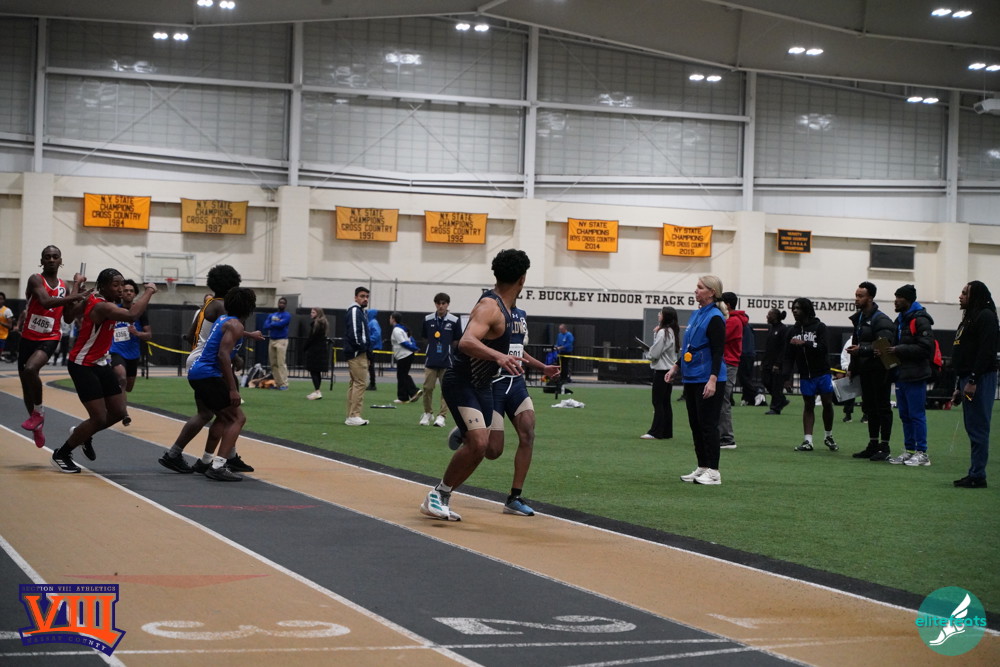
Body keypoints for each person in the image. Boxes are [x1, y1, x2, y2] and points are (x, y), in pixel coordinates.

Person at [420, 249, 529, 521]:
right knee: (478, 443)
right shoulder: (490, 306)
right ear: (522, 279)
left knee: (491, 449)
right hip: (461, 382)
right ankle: (438, 495)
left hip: (483, 385)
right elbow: (467, 341)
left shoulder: (508, 309)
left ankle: (464, 431)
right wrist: (498, 356)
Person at [50, 270, 156, 473]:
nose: (120, 289)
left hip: (100, 362)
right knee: (98, 418)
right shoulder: (101, 305)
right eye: (116, 285)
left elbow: (69, 316)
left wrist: (77, 287)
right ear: (103, 286)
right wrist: (149, 291)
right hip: (82, 364)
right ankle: (61, 454)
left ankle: (83, 434)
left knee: (118, 412)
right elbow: (132, 315)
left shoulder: (97, 299)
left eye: (122, 285)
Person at [159, 265, 259, 475]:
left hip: (197, 358)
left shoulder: (206, 305)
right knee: (231, 414)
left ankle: (186, 455)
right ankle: (220, 461)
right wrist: (234, 357)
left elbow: (190, 336)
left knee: (207, 413)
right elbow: (227, 338)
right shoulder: (225, 308)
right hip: (210, 363)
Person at [480, 303, 560, 516]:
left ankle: (514, 497)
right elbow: (474, 344)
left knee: (528, 433)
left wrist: (543, 367)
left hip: (516, 384)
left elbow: (517, 349)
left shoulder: (521, 314)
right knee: (493, 451)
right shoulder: (490, 309)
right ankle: (470, 430)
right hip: (494, 385)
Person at [183, 287, 258, 481]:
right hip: (208, 375)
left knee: (223, 417)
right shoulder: (235, 325)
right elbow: (223, 355)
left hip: (197, 373)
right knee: (237, 418)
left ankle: (206, 461)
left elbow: (232, 331)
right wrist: (232, 389)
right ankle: (218, 465)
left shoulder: (224, 319)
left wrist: (250, 335)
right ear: (249, 307)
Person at [19, 246, 87, 449]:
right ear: (42, 261)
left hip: (50, 337)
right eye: (47, 257)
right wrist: (75, 294)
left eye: (55, 257)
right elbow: (46, 302)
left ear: (60, 261)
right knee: (26, 387)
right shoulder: (35, 279)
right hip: (28, 337)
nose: (51, 259)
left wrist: (81, 297)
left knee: (31, 369)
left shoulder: (64, 286)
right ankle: (37, 424)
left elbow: (68, 317)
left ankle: (39, 413)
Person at [664, 275, 727, 486]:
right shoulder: (696, 314)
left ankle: (714, 472)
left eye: (700, 288)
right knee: (696, 425)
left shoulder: (715, 317)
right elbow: (689, 347)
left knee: (709, 425)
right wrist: (676, 366)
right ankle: (703, 466)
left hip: (708, 377)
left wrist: (713, 379)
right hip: (692, 377)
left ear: (712, 292)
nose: (696, 291)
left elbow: (718, 351)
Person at [951, 281, 998, 489]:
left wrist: (973, 380)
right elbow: (964, 353)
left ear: (975, 296)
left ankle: (978, 475)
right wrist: (959, 386)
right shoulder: (969, 318)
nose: (960, 296)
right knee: (973, 427)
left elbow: (986, 352)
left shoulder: (986, 316)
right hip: (968, 378)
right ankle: (975, 472)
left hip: (980, 379)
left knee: (978, 427)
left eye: (965, 293)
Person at [884, 284, 936, 466]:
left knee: (916, 414)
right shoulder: (900, 320)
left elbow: (926, 348)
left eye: (899, 297)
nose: (895, 301)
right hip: (901, 374)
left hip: (916, 374)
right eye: (895, 297)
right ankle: (909, 451)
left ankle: (922, 453)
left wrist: (898, 349)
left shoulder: (920, 320)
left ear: (908, 300)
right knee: (905, 415)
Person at [847, 281, 895, 461]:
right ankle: (873, 444)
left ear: (870, 298)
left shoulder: (881, 319)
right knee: (869, 408)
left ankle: (885, 446)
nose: (856, 299)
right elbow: (856, 342)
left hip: (881, 370)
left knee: (882, 408)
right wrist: (852, 367)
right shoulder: (860, 318)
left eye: (860, 296)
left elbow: (884, 345)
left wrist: (862, 350)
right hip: (866, 369)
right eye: (856, 295)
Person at [783, 298, 838, 453]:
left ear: (807, 310)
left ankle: (828, 436)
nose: (795, 311)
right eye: (793, 308)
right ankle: (808, 441)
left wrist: (805, 343)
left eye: (798, 308)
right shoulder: (792, 331)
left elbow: (824, 348)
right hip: (805, 375)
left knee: (827, 403)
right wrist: (786, 378)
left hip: (822, 373)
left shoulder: (820, 327)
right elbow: (788, 356)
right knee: (808, 405)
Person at [109, 279, 152, 427]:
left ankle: (115, 397)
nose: (128, 293)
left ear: (135, 294)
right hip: (116, 351)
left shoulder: (140, 312)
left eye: (131, 291)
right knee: (121, 378)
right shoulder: (114, 310)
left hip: (133, 354)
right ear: (121, 294)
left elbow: (149, 335)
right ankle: (123, 413)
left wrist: (137, 333)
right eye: (126, 290)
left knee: (128, 386)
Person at [420, 293, 462, 427]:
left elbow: (457, 340)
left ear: (448, 304)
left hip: (447, 361)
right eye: (438, 303)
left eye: (443, 303)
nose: (441, 306)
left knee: (446, 390)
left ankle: (442, 416)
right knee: (427, 388)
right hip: (431, 360)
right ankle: (427, 413)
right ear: (435, 304)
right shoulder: (428, 319)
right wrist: (432, 348)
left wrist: (448, 351)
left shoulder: (454, 320)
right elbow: (424, 337)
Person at [642, 306, 679, 440]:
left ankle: (655, 431)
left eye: (660, 313)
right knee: (665, 402)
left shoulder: (663, 332)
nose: (658, 315)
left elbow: (655, 353)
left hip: (662, 371)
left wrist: (647, 352)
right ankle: (666, 432)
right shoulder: (672, 331)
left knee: (657, 402)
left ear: (665, 317)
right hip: (669, 369)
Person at [718, 292, 745, 449]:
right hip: (727, 362)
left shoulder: (733, 321)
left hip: (728, 363)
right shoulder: (733, 320)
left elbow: (720, 337)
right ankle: (722, 435)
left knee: (723, 400)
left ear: (727, 305)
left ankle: (727, 437)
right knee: (721, 399)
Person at [343, 286, 371, 426]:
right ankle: (354, 415)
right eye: (362, 296)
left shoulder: (360, 311)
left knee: (355, 383)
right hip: (357, 353)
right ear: (355, 297)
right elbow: (354, 333)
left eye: (367, 296)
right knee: (360, 383)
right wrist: (362, 348)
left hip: (357, 352)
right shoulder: (355, 311)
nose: (365, 299)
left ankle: (351, 415)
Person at [389, 312, 421, 403]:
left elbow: (403, 343)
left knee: (402, 375)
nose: (389, 320)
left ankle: (414, 391)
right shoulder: (403, 329)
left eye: (390, 318)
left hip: (404, 355)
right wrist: (414, 347)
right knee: (402, 375)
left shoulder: (396, 330)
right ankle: (404, 397)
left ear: (393, 319)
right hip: (407, 355)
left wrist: (414, 348)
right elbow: (412, 340)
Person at [762, 308, 790, 415]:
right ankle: (781, 399)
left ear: (775, 317)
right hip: (768, 362)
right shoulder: (772, 328)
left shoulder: (783, 329)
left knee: (776, 385)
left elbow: (784, 348)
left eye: (769, 315)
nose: (767, 316)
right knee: (766, 381)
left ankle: (775, 408)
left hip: (777, 364)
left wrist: (778, 363)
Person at [738, 318, 766, 406]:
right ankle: (748, 398)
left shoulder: (741, 326)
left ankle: (757, 393)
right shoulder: (749, 326)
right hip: (750, 354)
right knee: (747, 378)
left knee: (743, 378)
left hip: (744, 354)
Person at [265, 296, 291, 390]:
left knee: (281, 363)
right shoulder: (272, 315)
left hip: (281, 340)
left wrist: (273, 324)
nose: (281, 304)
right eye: (280, 302)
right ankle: (278, 383)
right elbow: (265, 325)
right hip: (272, 339)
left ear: (286, 305)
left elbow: (281, 324)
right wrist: (275, 324)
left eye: (283, 303)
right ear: (278, 304)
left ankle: (284, 384)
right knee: (273, 363)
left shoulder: (287, 315)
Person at [304, 307, 329, 400]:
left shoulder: (316, 324)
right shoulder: (324, 323)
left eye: (313, 312)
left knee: (313, 371)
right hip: (321, 349)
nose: (311, 314)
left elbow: (311, 338)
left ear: (318, 313)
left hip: (315, 350)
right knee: (317, 371)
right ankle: (317, 391)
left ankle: (317, 391)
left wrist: (305, 347)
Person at [366, 308, 382, 391]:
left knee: (370, 366)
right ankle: (372, 383)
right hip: (372, 346)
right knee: (370, 366)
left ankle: (372, 384)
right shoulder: (371, 322)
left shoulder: (373, 322)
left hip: (372, 347)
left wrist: (369, 341)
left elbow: (377, 334)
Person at [0, 291, 13, 362]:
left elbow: (10, 326)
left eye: (1, 299)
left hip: (2, 336)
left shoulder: (7, 311)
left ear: (3, 300)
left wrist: (1, 323)